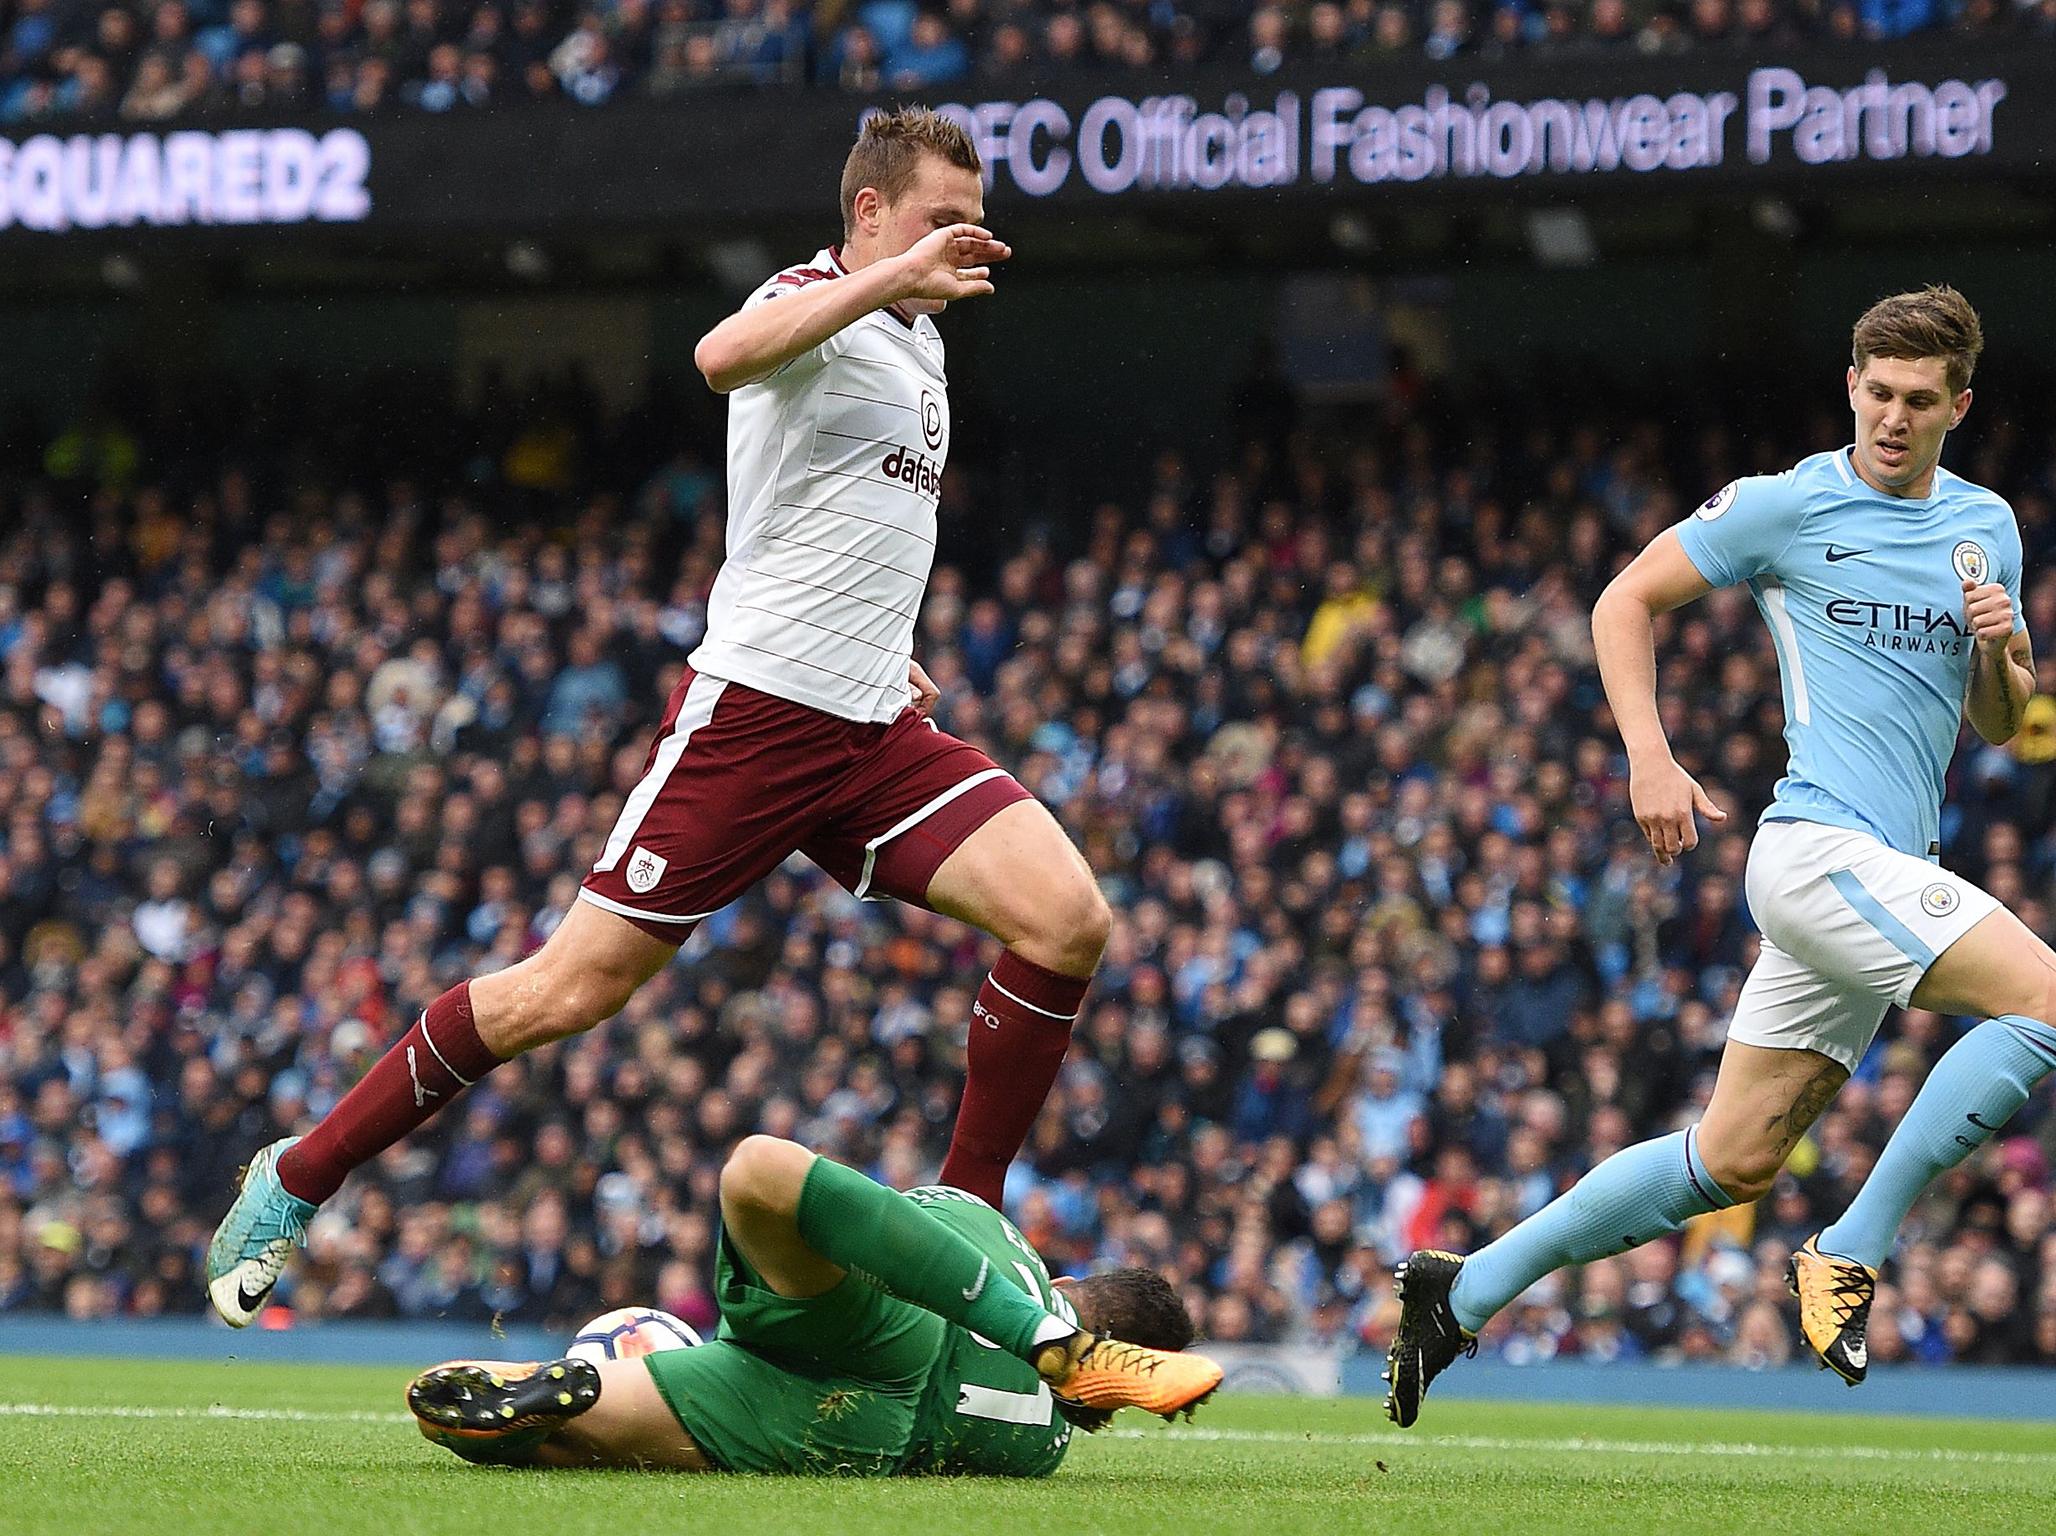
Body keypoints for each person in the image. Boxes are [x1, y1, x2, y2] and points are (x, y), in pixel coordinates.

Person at [207, 106, 1113, 1326]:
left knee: (1067, 921)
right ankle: (299, 1171)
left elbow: (833, 514)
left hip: (868, 732)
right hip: (756, 719)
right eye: (941, 220)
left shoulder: (918, 338)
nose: (966, 244)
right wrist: (893, 278)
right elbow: (720, 357)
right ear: (869, 214)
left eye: (977, 224)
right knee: (565, 994)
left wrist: (888, 651)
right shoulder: (815, 301)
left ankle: (964, 1228)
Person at [1385, 285, 2041, 1422]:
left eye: (1917, 401)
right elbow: (1621, 601)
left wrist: (2005, 656)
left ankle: (1463, 1290)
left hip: (1879, 874)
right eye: (1875, 393)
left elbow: (1993, 719)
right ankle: (1850, 1247)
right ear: (1850, 386)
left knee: (1732, 1160)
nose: (1891, 417)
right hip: (1814, 852)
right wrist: (1648, 754)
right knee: (2045, 1005)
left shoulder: (1984, 527)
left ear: (1958, 407)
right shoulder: (1784, 506)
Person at [405, 1134, 1223, 1475]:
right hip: (858, 1432)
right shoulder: (1043, 1451)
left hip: (890, 1325)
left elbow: (886, 1232)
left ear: (1086, 1287)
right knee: (581, 1440)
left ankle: (1048, 1339)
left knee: (760, 1170)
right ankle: (585, 1402)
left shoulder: (997, 1231)